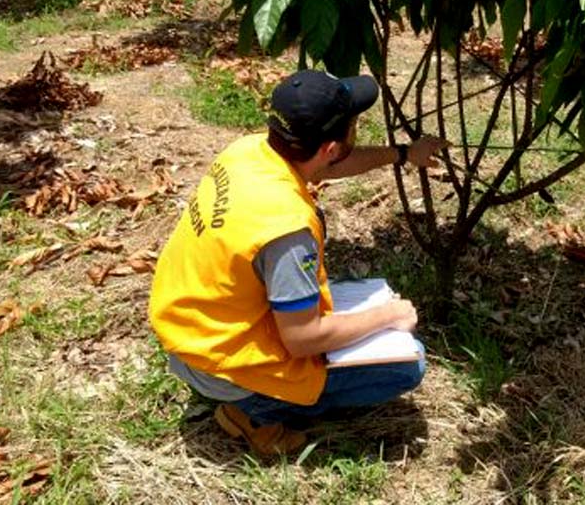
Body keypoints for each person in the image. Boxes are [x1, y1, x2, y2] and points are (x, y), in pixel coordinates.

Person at [148, 69, 447, 455]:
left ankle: (245, 393)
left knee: (327, 297)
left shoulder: (249, 151)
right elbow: (302, 339)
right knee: (409, 364)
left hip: (191, 330)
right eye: (353, 126)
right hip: (217, 361)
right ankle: (254, 411)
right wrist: (388, 316)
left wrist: (405, 154)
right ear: (329, 148)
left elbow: (335, 165)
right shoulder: (285, 230)